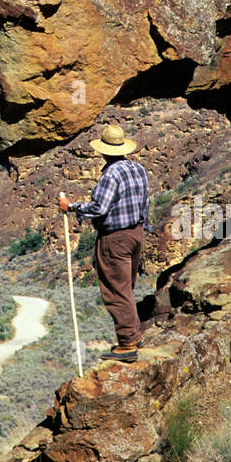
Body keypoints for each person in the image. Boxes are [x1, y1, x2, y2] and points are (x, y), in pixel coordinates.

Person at [59, 123, 150, 363]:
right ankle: (134, 335)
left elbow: (100, 208)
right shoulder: (138, 168)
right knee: (126, 287)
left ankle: (128, 343)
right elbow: (144, 204)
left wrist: (71, 207)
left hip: (115, 239)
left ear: (103, 150)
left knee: (116, 290)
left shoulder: (111, 174)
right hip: (136, 234)